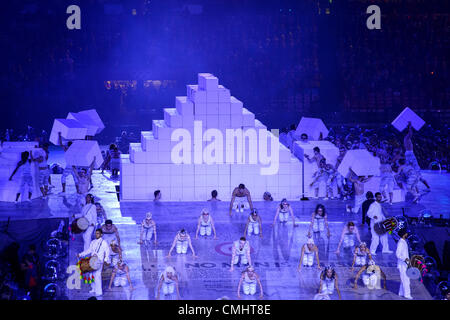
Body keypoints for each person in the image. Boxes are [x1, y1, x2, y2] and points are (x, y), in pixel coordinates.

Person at [77, 228, 110, 297]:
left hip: (99, 261)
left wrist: (106, 260)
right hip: (92, 261)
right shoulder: (93, 242)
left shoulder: (104, 242)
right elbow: (89, 250)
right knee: (91, 275)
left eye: (98, 233)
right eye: (95, 233)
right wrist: (80, 254)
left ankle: (99, 292)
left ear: (101, 234)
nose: (96, 234)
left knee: (97, 276)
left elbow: (107, 251)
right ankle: (93, 289)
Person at [404, 122, 430, 191]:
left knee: (415, 174)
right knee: (416, 174)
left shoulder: (406, 139)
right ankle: (420, 189)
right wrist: (410, 126)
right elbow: (410, 134)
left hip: (409, 154)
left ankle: (421, 188)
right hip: (409, 154)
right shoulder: (407, 138)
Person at [396, 229, 413, 299]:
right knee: (406, 280)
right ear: (404, 235)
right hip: (402, 264)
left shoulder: (404, 242)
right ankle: (407, 295)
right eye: (406, 233)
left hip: (405, 264)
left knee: (404, 279)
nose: (407, 234)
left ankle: (401, 293)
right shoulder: (400, 243)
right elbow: (397, 254)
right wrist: (404, 259)